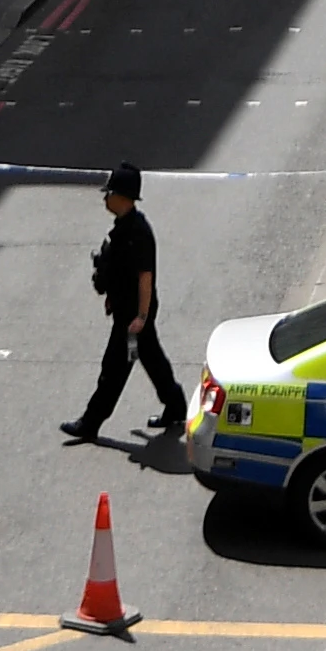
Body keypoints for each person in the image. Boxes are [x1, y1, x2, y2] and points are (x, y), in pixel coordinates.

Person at [61, 165, 189, 443]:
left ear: (122, 196)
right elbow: (123, 274)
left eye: (109, 193)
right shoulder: (124, 228)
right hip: (129, 312)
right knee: (151, 358)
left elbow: (145, 277)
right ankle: (176, 406)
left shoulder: (137, 233)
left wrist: (141, 317)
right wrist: (112, 297)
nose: (105, 198)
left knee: (114, 368)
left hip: (132, 318)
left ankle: (90, 422)